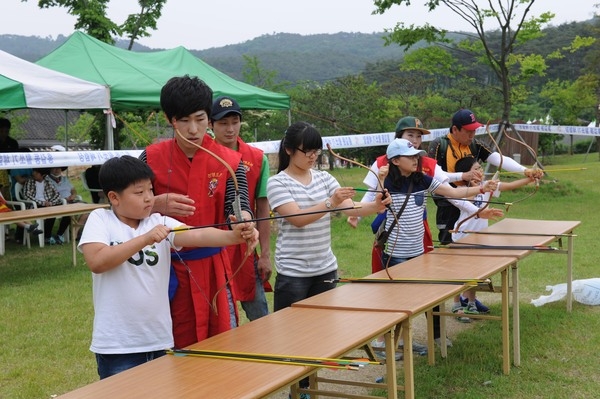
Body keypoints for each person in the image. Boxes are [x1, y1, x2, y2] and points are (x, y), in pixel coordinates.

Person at [78, 155, 257, 380]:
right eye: (139, 192)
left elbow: (198, 234)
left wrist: (235, 235)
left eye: (151, 190)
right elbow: (97, 262)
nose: (148, 198)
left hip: (158, 339)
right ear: (114, 197)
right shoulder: (100, 220)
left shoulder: (159, 222)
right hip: (117, 345)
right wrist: (145, 239)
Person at [267, 121, 390, 393]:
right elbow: (298, 218)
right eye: (307, 151)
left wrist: (375, 206)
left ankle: (309, 386)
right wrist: (330, 203)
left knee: (318, 334)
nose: (312, 156)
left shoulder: (324, 178)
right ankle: (297, 390)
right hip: (293, 274)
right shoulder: (277, 182)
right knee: (293, 336)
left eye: (316, 151)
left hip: (325, 270)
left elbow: (350, 208)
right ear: (289, 150)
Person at [140, 75, 254, 348]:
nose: (193, 129)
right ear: (170, 119)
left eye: (200, 119)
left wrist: (244, 222)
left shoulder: (230, 161)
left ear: (209, 118)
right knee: (168, 345)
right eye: (184, 120)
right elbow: (125, 210)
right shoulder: (150, 157)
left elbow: (238, 206)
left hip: (213, 266)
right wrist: (155, 204)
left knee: (221, 342)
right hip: (164, 267)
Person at [348, 116, 482, 270]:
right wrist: (357, 214)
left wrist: (476, 207)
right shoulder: (381, 163)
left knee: (421, 272)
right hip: (391, 224)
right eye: (410, 135)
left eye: (419, 136)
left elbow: (448, 190)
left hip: (418, 225)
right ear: (398, 138)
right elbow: (373, 193)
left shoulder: (424, 163)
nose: (415, 140)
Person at [427, 109, 543, 245]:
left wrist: (525, 171)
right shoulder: (439, 145)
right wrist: (463, 175)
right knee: (449, 246)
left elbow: (498, 158)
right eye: (468, 131)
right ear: (455, 129)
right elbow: (433, 173)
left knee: (478, 243)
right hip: (449, 204)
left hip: (474, 197)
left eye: (474, 131)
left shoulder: (475, 144)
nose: (472, 135)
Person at [448, 156, 535, 321]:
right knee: (462, 273)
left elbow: (509, 186)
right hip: (462, 237)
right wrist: (477, 188)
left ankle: (471, 302)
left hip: (480, 237)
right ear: (466, 174)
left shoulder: (487, 186)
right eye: (475, 169)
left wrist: (529, 178)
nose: (480, 172)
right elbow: (466, 202)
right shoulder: (461, 189)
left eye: (480, 168)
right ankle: (457, 304)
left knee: (476, 273)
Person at [210, 95, 272, 321]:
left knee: (260, 316)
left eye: (234, 122)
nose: (230, 129)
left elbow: (262, 208)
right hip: (213, 246)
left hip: (245, 247)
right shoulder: (202, 156)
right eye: (223, 123)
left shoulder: (256, 158)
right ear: (211, 125)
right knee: (222, 319)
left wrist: (264, 255)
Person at [21, 167, 65, 245]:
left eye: (36, 173)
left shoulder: (48, 181)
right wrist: (43, 203)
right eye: (34, 172)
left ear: (43, 175)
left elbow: (57, 194)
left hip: (48, 204)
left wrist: (51, 202)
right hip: (35, 205)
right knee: (51, 213)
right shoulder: (30, 181)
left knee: (66, 212)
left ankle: (60, 234)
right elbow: (27, 196)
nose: (33, 174)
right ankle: (47, 237)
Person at [0, 118, 19, 201]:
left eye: (6, 131)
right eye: (1, 131)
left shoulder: (13, 142)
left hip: (11, 172)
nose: (4, 134)